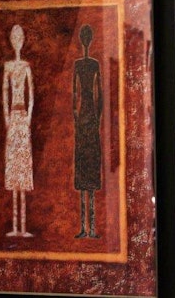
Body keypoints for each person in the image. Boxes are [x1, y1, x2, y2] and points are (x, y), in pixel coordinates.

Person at [2, 24, 34, 237]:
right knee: (14, 166)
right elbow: (4, 93)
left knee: (23, 166)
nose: (17, 41)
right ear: (11, 40)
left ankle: (23, 226)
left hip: (22, 118)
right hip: (13, 118)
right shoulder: (8, 67)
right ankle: (15, 227)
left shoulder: (26, 66)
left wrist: (28, 116)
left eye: (19, 37)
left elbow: (31, 94)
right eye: (14, 37)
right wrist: (7, 117)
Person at [72, 24, 103, 239]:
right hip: (88, 117)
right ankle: (86, 228)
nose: (85, 41)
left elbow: (79, 97)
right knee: (85, 168)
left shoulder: (90, 65)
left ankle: (89, 227)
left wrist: (80, 118)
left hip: (87, 117)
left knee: (88, 168)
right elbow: (77, 95)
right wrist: (92, 118)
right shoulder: (89, 65)